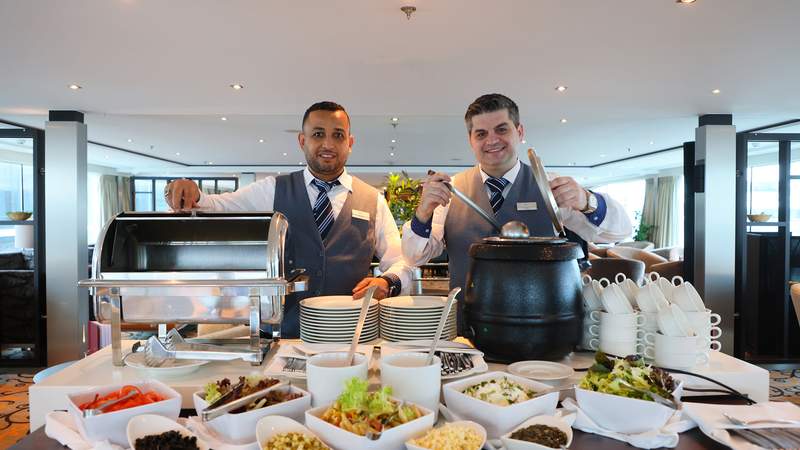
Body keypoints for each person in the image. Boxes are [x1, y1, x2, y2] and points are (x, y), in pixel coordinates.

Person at [165, 101, 412, 338]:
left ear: (350, 143)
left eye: (338, 135)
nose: (328, 143)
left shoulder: (373, 200)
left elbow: (401, 261)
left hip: (350, 335)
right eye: (318, 134)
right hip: (283, 336)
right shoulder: (273, 189)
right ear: (302, 141)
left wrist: (387, 281)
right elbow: (217, 206)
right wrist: (192, 193)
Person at [402, 93, 632, 303]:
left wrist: (587, 201)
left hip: (538, 321)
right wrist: (423, 214)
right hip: (466, 326)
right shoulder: (453, 191)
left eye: (501, 129)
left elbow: (620, 231)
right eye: (481, 134)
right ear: (470, 140)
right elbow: (415, 258)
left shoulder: (549, 186)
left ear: (519, 132)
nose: (491, 140)